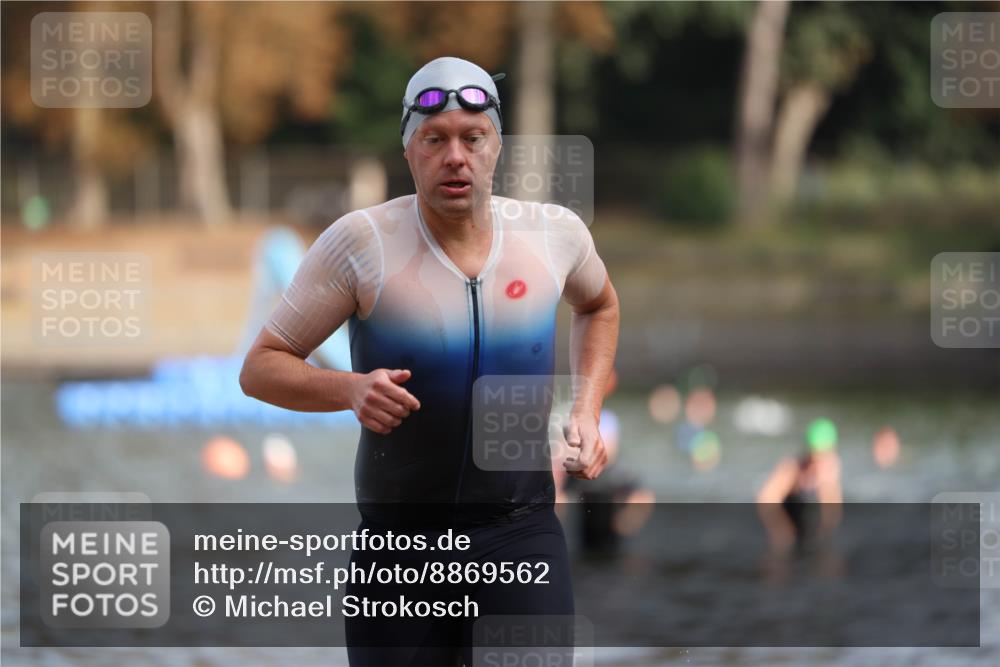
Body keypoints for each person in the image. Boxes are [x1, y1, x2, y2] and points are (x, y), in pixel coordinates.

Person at [240, 56, 620, 666]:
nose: (455, 157)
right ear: (409, 149)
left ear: (498, 145)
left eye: (474, 138)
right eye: (434, 139)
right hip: (398, 553)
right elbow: (260, 365)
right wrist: (351, 389)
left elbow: (599, 305)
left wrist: (588, 408)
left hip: (518, 537)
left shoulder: (555, 237)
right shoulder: (360, 244)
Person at [756, 418, 843, 556]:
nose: (818, 460)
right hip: (788, 520)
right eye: (814, 453)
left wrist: (826, 535)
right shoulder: (791, 468)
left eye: (822, 454)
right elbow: (765, 500)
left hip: (809, 527)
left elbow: (832, 510)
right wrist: (781, 531)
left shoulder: (831, 467)